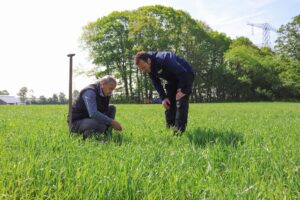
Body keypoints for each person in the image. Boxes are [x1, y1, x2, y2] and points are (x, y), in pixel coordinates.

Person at [135, 51, 194, 134]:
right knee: (168, 103)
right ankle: (169, 128)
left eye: (144, 67)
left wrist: (184, 90)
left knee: (180, 102)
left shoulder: (164, 58)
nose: (144, 71)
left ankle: (179, 132)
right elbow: (156, 83)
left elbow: (183, 72)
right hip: (172, 80)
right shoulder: (149, 68)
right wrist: (163, 98)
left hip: (185, 75)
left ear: (148, 60)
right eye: (141, 69)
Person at [69, 75, 122, 140]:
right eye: (110, 88)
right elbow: (93, 113)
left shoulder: (106, 93)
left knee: (112, 108)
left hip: (89, 118)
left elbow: (104, 110)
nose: (111, 91)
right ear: (102, 83)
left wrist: (107, 122)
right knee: (98, 124)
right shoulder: (90, 92)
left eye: (113, 89)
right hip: (77, 121)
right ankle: (87, 135)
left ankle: (107, 133)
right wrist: (112, 122)